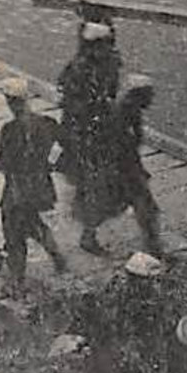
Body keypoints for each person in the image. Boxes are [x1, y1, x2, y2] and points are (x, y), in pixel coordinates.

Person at [0, 79, 69, 294]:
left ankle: (17, 281)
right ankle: (57, 258)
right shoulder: (46, 123)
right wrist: (50, 164)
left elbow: (2, 164)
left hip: (17, 189)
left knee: (14, 233)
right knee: (33, 222)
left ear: (10, 102)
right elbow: (66, 146)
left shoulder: (9, 130)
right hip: (40, 187)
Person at [59, 21, 122, 253]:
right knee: (93, 184)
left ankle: (89, 230)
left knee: (95, 184)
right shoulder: (80, 70)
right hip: (85, 136)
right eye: (105, 45)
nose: (110, 49)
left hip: (97, 133)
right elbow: (72, 105)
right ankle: (88, 235)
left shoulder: (104, 65)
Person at [89, 73, 166, 258]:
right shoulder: (120, 116)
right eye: (149, 95)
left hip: (126, 169)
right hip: (122, 171)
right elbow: (118, 147)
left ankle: (153, 246)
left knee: (116, 206)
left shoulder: (132, 112)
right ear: (138, 95)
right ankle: (154, 249)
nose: (152, 99)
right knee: (144, 208)